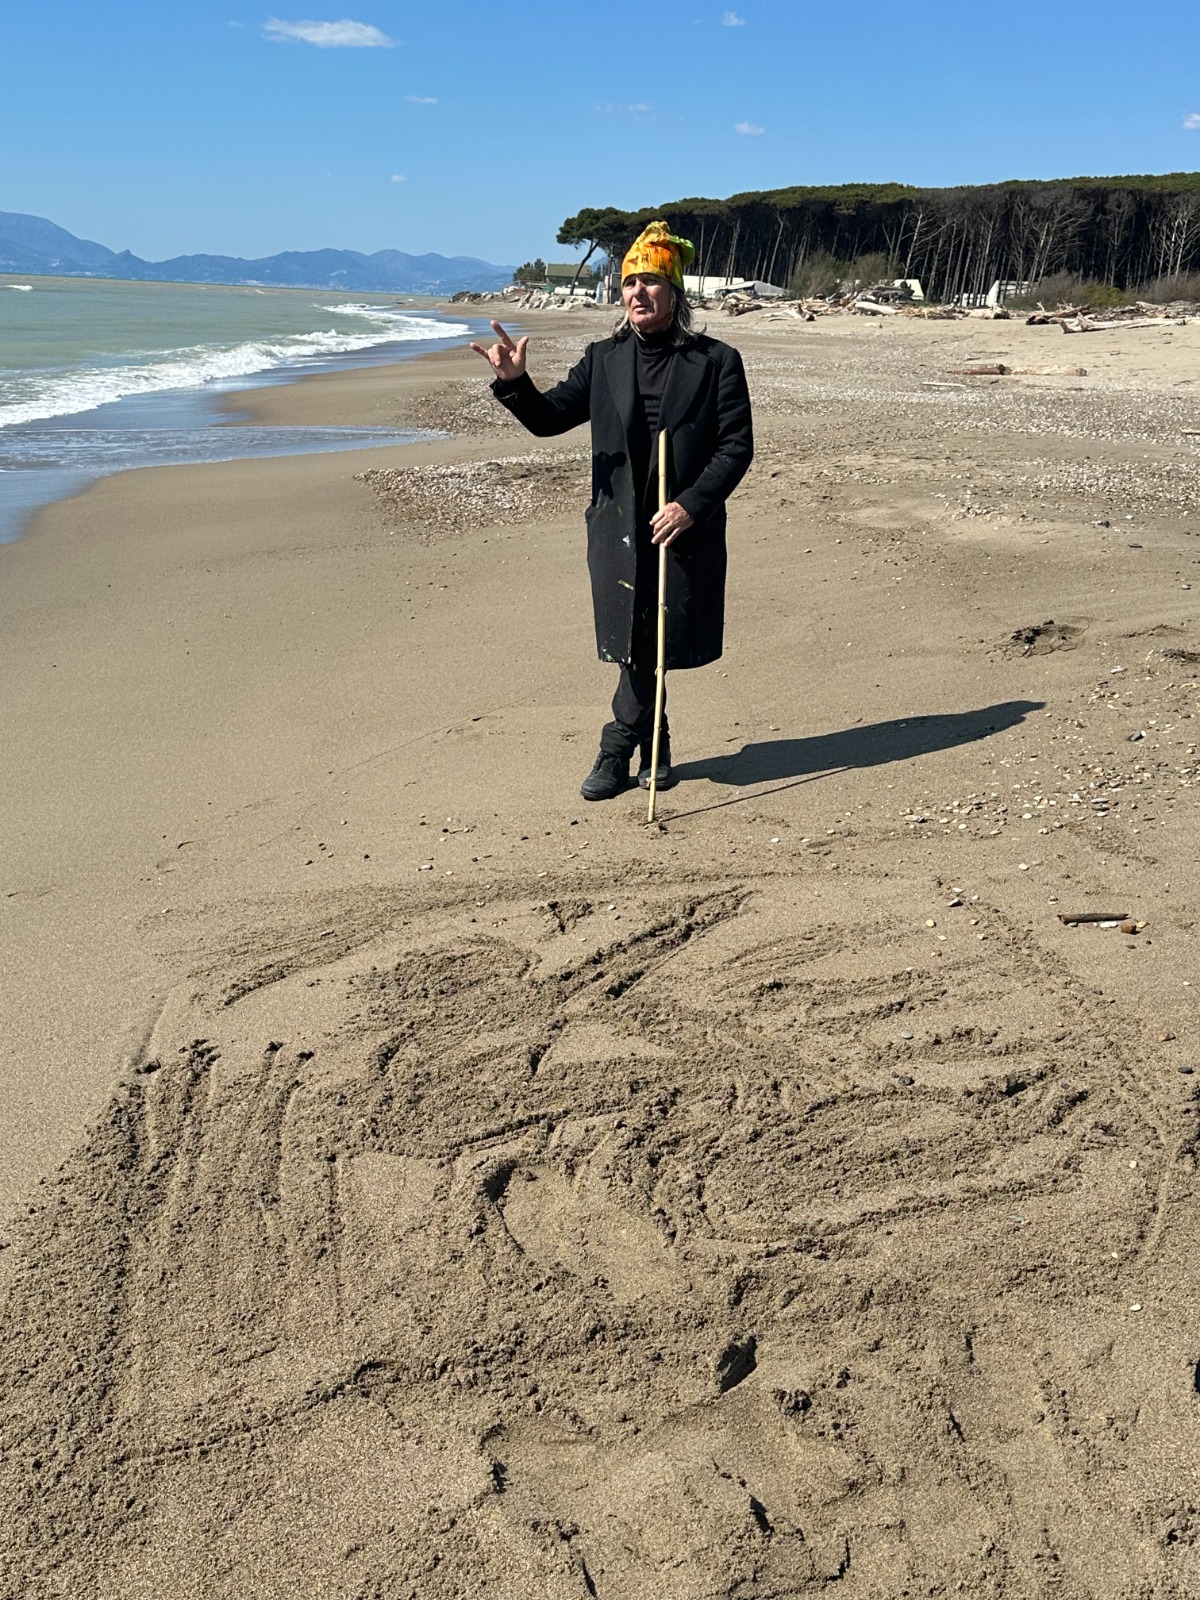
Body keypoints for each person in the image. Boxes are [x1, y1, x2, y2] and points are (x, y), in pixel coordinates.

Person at [471, 221, 753, 800]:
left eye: (651, 281)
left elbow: (736, 447)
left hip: (680, 526)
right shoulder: (602, 359)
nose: (637, 292)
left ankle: (617, 744)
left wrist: (691, 505)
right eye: (629, 282)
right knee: (634, 634)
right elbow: (550, 419)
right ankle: (655, 740)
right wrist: (517, 384)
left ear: (675, 291)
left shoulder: (717, 361)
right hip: (617, 523)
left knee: (657, 634)